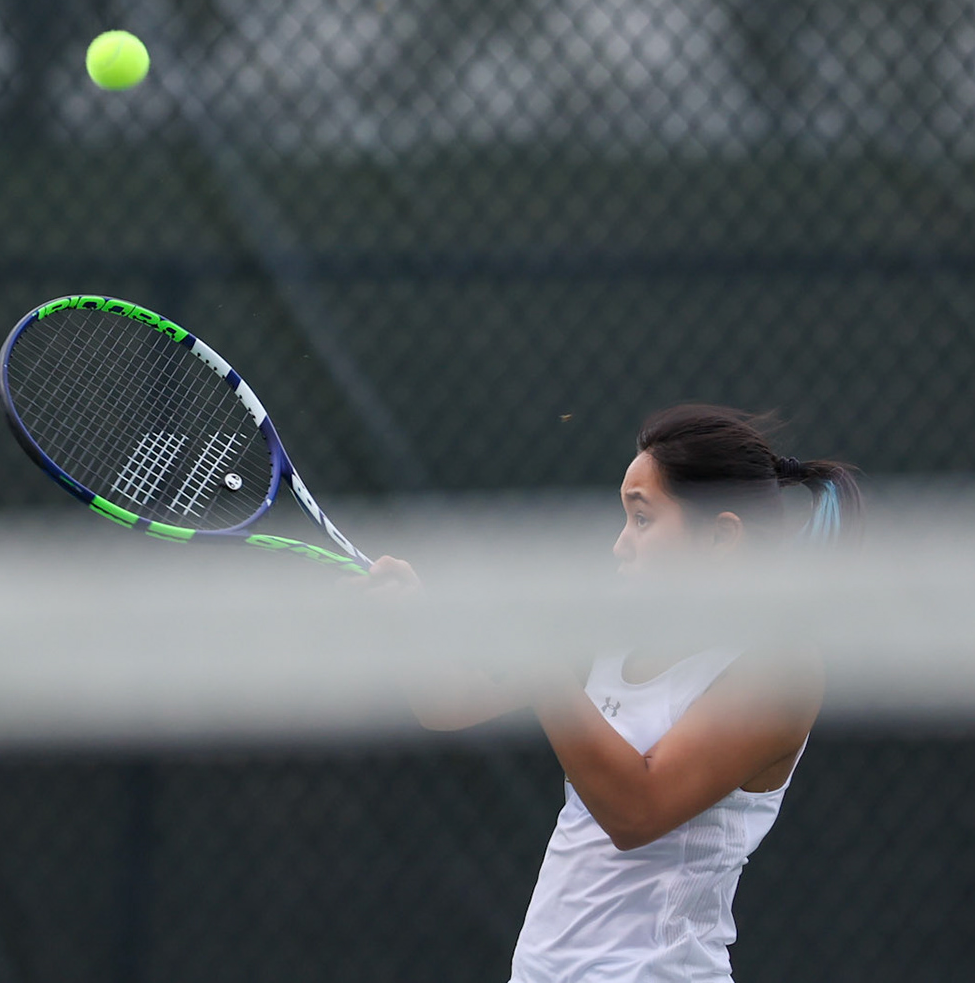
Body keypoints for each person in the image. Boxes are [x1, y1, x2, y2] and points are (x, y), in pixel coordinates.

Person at [368, 404, 858, 982]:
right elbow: (447, 704)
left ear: (722, 537)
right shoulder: (605, 638)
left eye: (643, 519)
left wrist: (541, 668)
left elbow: (636, 811)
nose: (620, 545)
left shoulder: (779, 670)